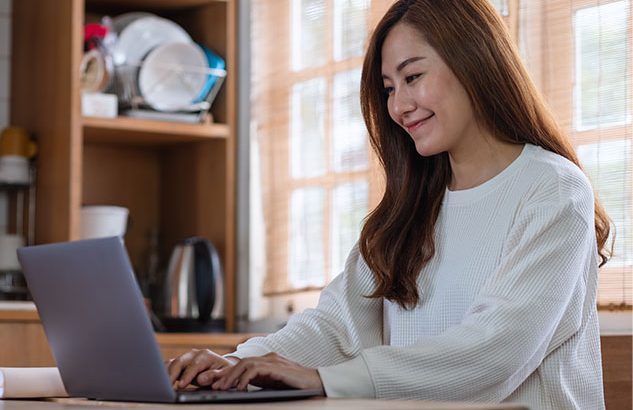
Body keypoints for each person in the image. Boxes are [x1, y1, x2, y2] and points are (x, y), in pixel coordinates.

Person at [167, 0, 611, 408]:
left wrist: (325, 379)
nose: (398, 106)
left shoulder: (553, 189)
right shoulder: (411, 207)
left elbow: (496, 352)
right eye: (388, 88)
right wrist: (236, 365)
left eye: (413, 77)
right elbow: (337, 326)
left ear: (474, 62)